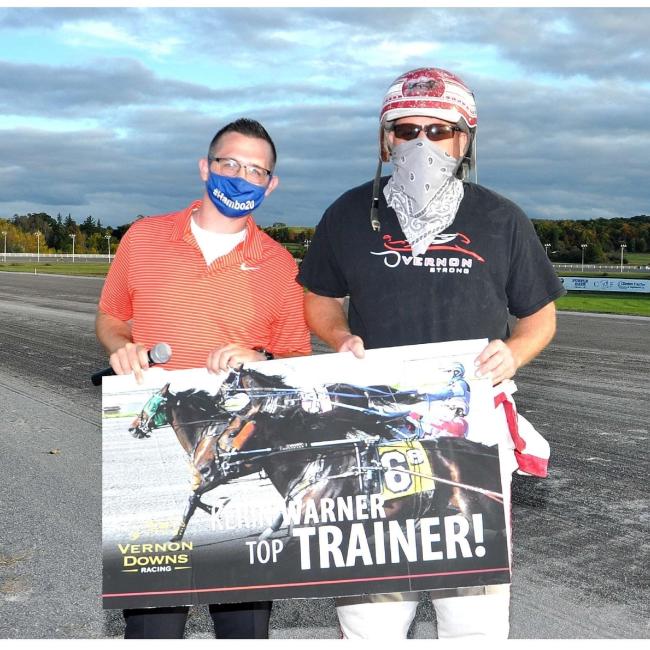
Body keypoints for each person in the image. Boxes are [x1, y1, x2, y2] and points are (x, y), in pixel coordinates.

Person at [297, 67, 565, 639]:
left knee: (473, 613)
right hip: (371, 432)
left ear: (465, 140)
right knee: (372, 613)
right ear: (384, 139)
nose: (422, 143)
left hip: (467, 434)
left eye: (439, 131)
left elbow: (540, 318)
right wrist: (339, 338)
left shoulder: (501, 218)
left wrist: (514, 354)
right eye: (406, 129)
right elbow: (319, 300)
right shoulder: (347, 214)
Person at [96, 117, 311, 639]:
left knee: (242, 625)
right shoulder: (144, 237)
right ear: (204, 167)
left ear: (271, 184)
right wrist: (122, 347)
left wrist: (258, 356)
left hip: (242, 460)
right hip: (157, 453)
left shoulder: (281, 265)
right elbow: (110, 317)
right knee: (153, 624)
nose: (241, 177)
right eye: (229, 164)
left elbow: (295, 356)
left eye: (256, 170)